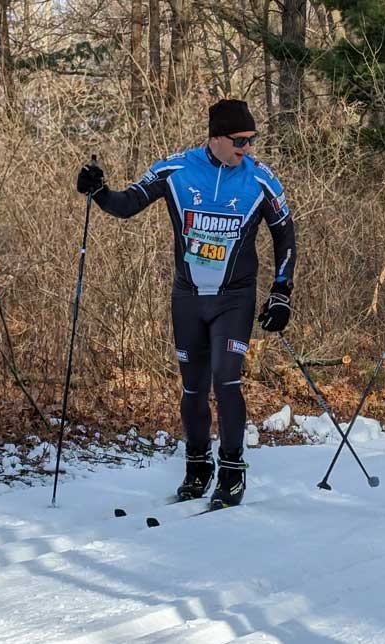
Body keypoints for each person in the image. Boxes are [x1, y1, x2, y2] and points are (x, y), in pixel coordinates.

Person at [76, 99, 297, 507]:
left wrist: (281, 291)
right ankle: (197, 467)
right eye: (240, 140)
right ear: (216, 138)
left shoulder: (260, 178)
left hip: (234, 298)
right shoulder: (176, 169)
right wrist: (99, 192)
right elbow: (128, 204)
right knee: (193, 387)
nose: (248, 148)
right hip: (188, 298)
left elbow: (285, 234)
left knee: (226, 381)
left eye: (252, 139)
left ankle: (232, 471)